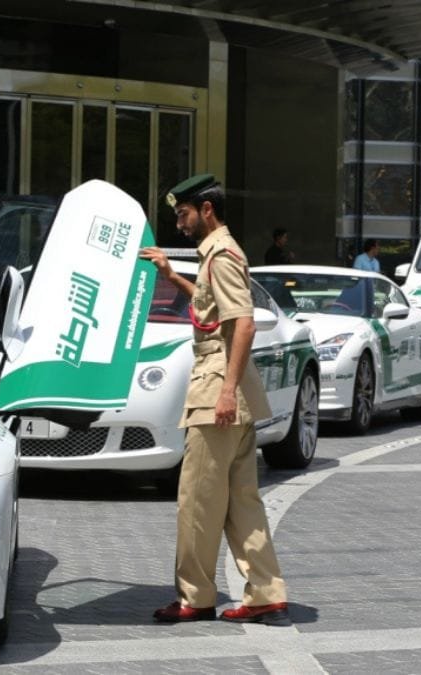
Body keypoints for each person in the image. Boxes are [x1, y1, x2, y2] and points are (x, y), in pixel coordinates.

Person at [140, 174, 290, 626]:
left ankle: (195, 597)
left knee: (198, 500)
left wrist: (224, 392)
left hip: (217, 391)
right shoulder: (218, 254)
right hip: (234, 392)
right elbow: (213, 310)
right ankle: (265, 592)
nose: (180, 224)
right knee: (243, 501)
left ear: (206, 209)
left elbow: (241, 324)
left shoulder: (221, 255)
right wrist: (172, 276)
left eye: (184, 214)